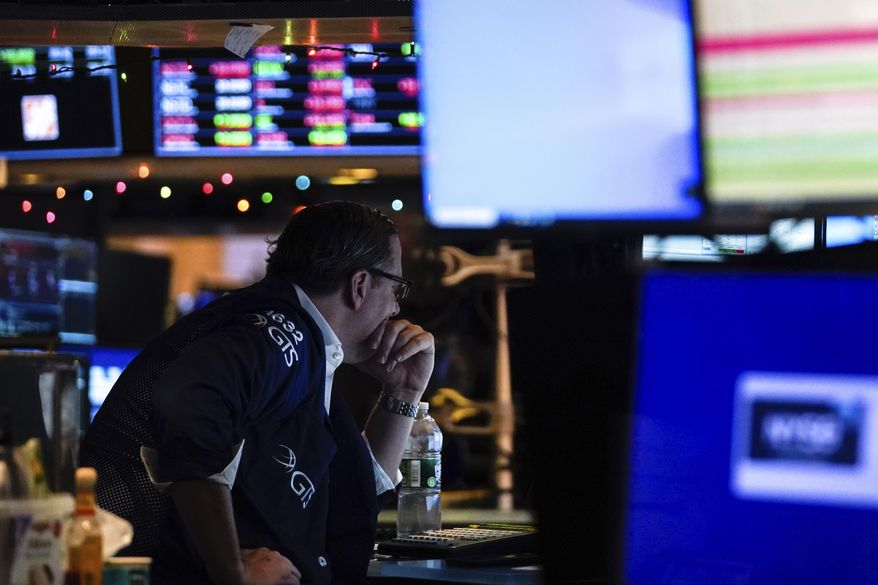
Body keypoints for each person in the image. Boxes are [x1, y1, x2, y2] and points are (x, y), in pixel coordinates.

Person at [80, 201, 435, 585]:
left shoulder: (301, 344)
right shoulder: (280, 335)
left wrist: (404, 390)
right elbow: (188, 400)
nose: (397, 307)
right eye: (395, 287)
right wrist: (231, 569)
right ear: (360, 285)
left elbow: (352, 493)